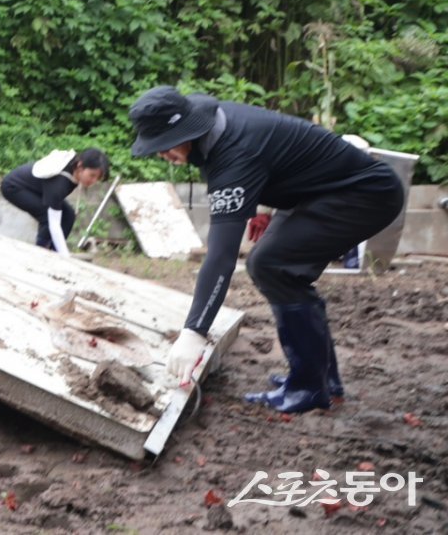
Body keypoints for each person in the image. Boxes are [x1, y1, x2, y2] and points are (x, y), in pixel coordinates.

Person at [128, 86, 405, 413]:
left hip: (365, 194)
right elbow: (281, 155)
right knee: (270, 265)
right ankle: (320, 378)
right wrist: (261, 204)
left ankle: (309, 387)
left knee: (273, 265)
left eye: (165, 145)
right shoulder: (217, 127)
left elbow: (221, 257)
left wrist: (194, 331)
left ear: (188, 130)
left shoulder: (233, 153)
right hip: (322, 191)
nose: (162, 154)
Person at [0, 148, 110, 255]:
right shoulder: (59, 183)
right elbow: (54, 224)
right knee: (46, 216)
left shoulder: (73, 168)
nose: (93, 181)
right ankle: (41, 254)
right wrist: (65, 256)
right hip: (14, 187)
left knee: (68, 215)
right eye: (92, 175)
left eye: (97, 178)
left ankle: (54, 253)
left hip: (37, 189)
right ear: (80, 166)